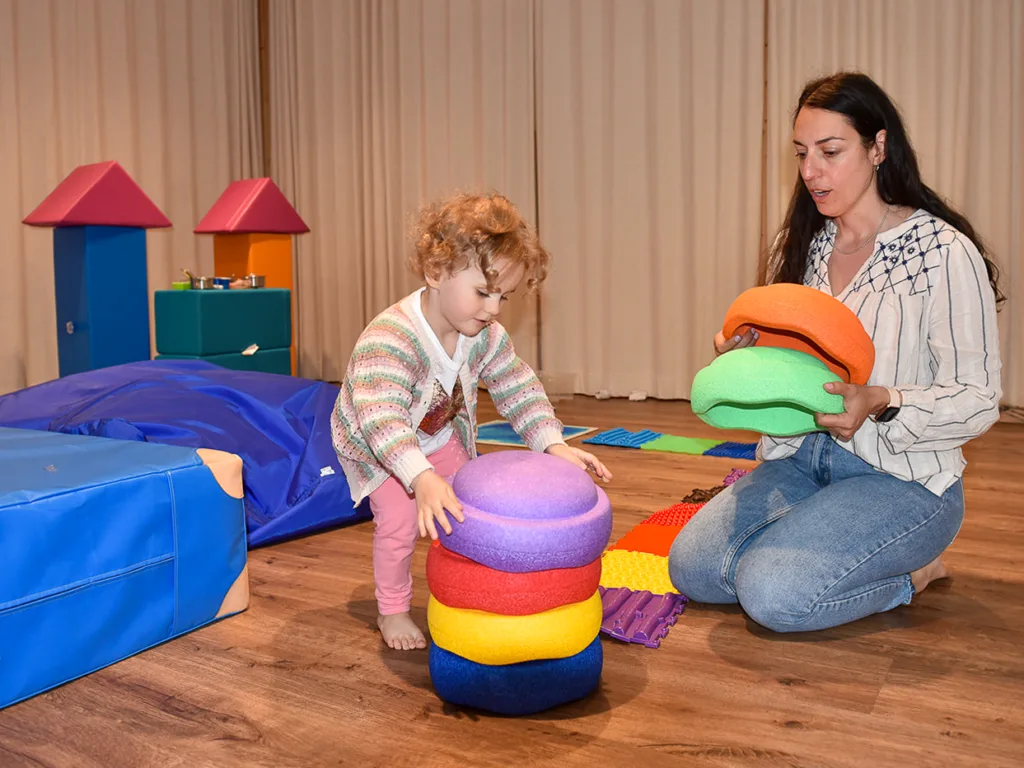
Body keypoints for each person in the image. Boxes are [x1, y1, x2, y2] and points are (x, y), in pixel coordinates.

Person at [669, 72, 1004, 633]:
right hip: (800, 460)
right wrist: (745, 359)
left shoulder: (942, 252)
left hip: (900, 481)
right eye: (802, 154)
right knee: (693, 570)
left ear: (878, 148)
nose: (811, 172)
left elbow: (978, 399)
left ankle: (914, 573)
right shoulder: (803, 244)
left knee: (773, 597)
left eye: (830, 151)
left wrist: (881, 399)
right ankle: (816, 538)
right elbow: (794, 364)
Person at [332, 192, 612, 650]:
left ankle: (463, 591)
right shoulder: (390, 340)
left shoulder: (485, 335)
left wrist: (553, 444)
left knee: (465, 508)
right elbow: (381, 420)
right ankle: (393, 609)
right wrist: (419, 477)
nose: (495, 309)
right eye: (484, 292)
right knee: (400, 524)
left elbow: (518, 388)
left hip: (437, 433)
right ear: (436, 272)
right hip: (379, 447)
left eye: (505, 295)